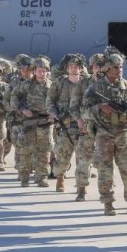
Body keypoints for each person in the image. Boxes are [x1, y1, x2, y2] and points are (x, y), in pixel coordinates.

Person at [82, 54, 127, 215]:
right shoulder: (95, 88)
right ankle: (107, 203)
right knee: (105, 170)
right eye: (115, 67)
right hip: (104, 134)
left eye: (121, 67)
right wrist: (99, 108)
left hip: (123, 134)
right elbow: (84, 111)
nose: (119, 70)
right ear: (107, 69)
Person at [47, 54, 88, 193]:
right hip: (65, 125)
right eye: (71, 66)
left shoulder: (87, 83)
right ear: (67, 68)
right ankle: (60, 177)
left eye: (76, 66)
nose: (74, 68)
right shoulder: (59, 83)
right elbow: (50, 101)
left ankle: (81, 185)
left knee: (83, 157)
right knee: (63, 155)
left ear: (81, 68)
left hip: (83, 125)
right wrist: (55, 115)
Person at [12, 56, 53, 187]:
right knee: (26, 150)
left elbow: (61, 102)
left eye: (44, 70)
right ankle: (24, 177)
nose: (42, 73)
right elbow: (14, 97)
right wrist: (22, 109)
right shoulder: (26, 85)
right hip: (29, 122)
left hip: (46, 123)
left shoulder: (52, 86)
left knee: (44, 151)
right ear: (34, 71)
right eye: (39, 70)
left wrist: (55, 115)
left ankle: (42, 178)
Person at [70, 53, 103, 201]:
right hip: (87, 128)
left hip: (106, 129)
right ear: (91, 68)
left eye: (101, 66)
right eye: (96, 66)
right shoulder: (82, 84)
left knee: (105, 163)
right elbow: (73, 106)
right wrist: (79, 121)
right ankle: (81, 190)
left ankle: (106, 193)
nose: (99, 69)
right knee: (83, 160)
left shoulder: (110, 83)